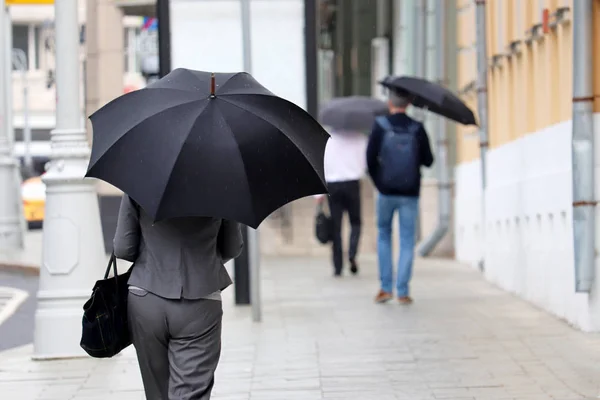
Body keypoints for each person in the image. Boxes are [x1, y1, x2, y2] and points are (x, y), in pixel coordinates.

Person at [113, 195, 243, 400]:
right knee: (190, 393)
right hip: (200, 299)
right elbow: (232, 248)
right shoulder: (221, 185)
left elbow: (123, 247)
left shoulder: (139, 182)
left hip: (146, 297)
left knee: (157, 393)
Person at [366, 90, 434, 304]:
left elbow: (369, 160)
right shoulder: (417, 128)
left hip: (386, 192)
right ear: (410, 103)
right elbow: (429, 160)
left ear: (389, 103)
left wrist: (380, 183)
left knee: (384, 235)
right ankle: (403, 291)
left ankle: (385, 288)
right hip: (410, 193)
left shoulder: (380, 126)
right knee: (406, 240)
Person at [317, 128, 368, 277]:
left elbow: (321, 165)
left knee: (336, 227)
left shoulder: (326, 140)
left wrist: (318, 194)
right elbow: (365, 163)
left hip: (333, 185)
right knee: (356, 222)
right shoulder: (359, 137)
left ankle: (337, 265)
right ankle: (352, 253)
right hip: (352, 183)